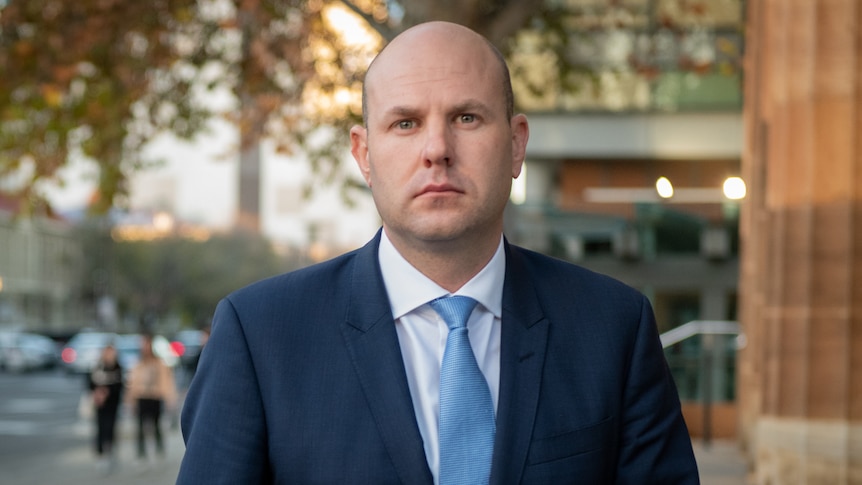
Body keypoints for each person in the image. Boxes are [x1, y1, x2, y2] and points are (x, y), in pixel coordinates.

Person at [178, 21, 699, 484]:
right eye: (404, 123)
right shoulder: (261, 334)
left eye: (467, 118)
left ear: (517, 144)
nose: (437, 149)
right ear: (363, 153)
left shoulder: (613, 328)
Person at [126, 333, 176, 463]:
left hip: (155, 397)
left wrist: (169, 397)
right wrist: (131, 400)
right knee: (140, 428)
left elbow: (166, 381)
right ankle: (141, 454)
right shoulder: (138, 363)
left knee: (156, 425)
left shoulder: (158, 363)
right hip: (142, 397)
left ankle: (159, 451)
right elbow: (132, 383)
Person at [87, 343, 123, 474]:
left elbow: (120, 387)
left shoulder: (117, 367)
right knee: (100, 429)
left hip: (112, 405)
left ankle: (110, 453)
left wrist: (106, 392)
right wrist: (97, 393)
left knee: (110, 429)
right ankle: (100, 454)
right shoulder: (98, 367)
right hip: (100, 405)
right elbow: (90, 382)